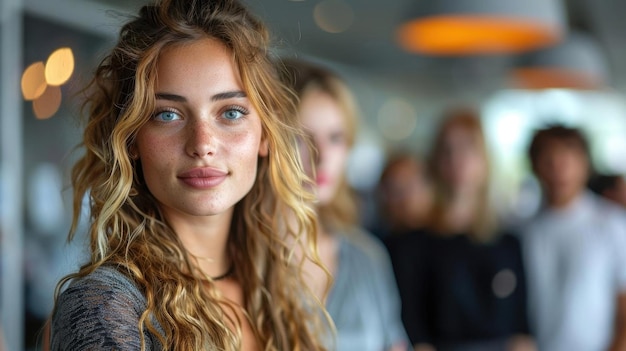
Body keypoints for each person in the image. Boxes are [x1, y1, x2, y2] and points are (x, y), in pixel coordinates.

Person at [49, 0, 331, 350]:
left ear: (265, 134)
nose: (202, 144)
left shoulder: (281, 291)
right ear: (131, 138)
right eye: (168, 115)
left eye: (230, 112)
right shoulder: (106, 307)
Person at [279, 58, 409, 351]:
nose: (321, 156)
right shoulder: (238, 257)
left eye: (335, 138)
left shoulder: (367, 257)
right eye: (301, 138)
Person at [387, 107, 533, 351]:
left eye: (468, 147)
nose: (457, 159)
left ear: (485, 159)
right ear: (436, 161)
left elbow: (522, 331)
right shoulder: (413, 244)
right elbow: (414, 332)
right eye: (448, 150)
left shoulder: (509, 243)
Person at [521, 125, 626, 351]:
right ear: (534, 166)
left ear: (585, 165)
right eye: (548, 160)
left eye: (568, 159)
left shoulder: (611, 224)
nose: (559, 170)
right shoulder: (522, 229)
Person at [375, 152, 433, 239]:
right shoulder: (376, 241)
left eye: (409, 185)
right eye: (395, 188)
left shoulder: (445, 236)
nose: (403, 197)